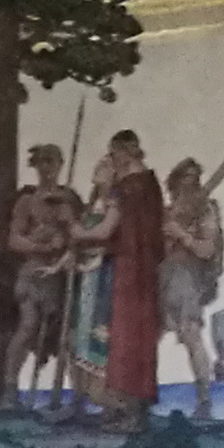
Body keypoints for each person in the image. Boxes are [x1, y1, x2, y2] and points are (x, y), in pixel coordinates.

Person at [83, 128, 164, 419]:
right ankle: (128, 406)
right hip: (139, 266)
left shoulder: (130, 186)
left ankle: (130, 408)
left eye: (114, 153)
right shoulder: (146, 183)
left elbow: (109, 227)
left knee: (129, 336)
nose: (111, 159)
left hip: (131, 266)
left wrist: (104, 189)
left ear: (127, 151)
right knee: (131, 336)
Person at [2, 139, 85, 406]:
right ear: (36, 166)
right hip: (34, 269)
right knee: (28, 326)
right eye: (43, 162)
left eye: (52, 161)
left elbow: (81, 234)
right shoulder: (27, 201)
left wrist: (67, 234)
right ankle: (10, 389)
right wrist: (41, 245)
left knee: (67, 334)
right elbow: (14, 239)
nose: (47, 168)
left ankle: (75, 395)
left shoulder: (69, 199)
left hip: (63, 273)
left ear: (60, 165)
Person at [157, 154, 222, 412]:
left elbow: (207, 250)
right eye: (184, 181)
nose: (189, 186)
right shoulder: (167, 213)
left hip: (187, 279)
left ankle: (204, 398)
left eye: (193, 181)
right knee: (149, 336)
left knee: (191, 334)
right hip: (161, 278)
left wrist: (182, 235)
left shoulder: (205, 211)